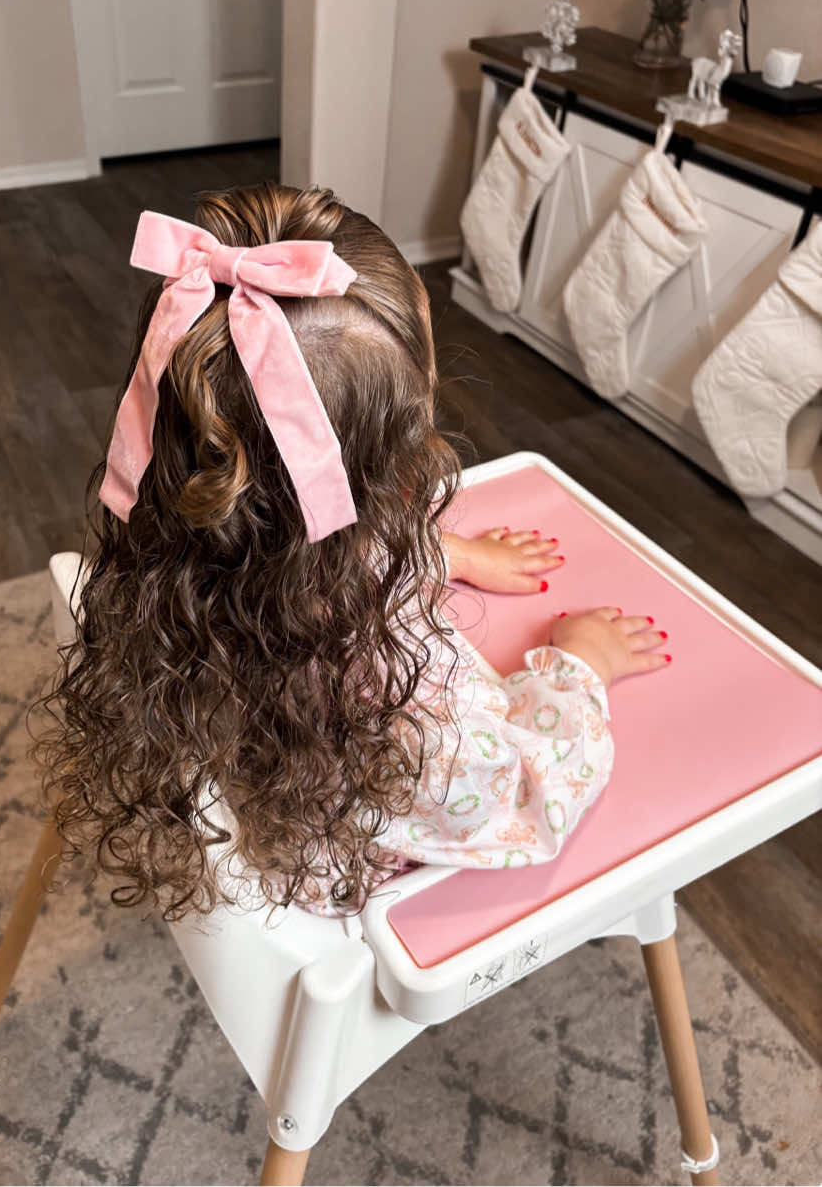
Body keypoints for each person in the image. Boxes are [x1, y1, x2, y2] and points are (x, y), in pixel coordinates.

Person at [34, 182, 670, 919]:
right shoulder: (392, 706)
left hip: (258, 781)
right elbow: (524, 799)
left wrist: (440, 553)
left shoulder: (169, 571)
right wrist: (580, 666)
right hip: (366, 873)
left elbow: (326, 549)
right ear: (399, 471)